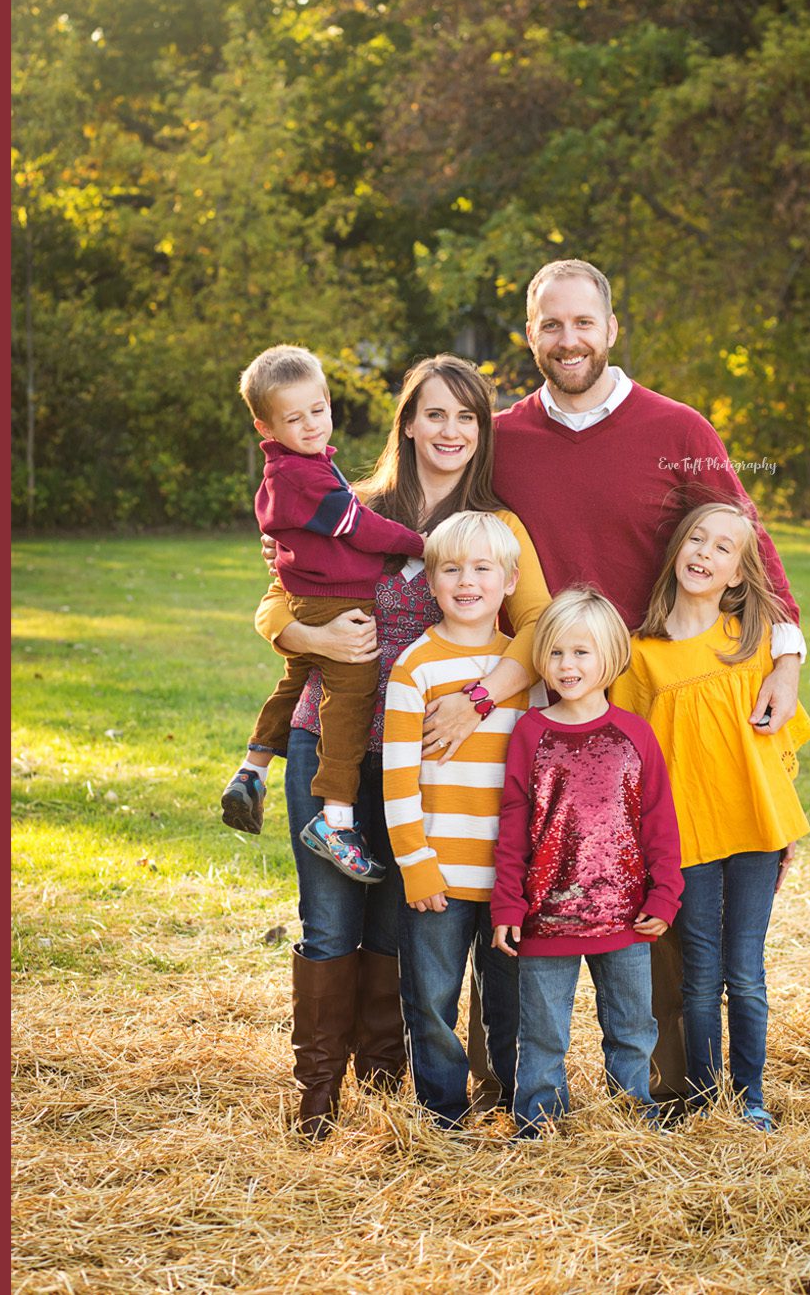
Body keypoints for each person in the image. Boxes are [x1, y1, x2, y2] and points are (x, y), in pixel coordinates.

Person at [418, 258, 810, 1111]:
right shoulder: (507, 438)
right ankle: (514, 1085)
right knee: (522, 876)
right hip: (539, 702)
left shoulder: (675, 427)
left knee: (652, 882)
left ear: (610, 328)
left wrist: (785, 654)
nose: (568, 340)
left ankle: (672, 1089)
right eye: (550, 325)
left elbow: (747, 536)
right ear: (530, 334)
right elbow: (457, 531)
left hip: (653, 700)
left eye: (582, 323)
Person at [253, 355, 550, 1140]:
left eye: (467, 416)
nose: (450, 431)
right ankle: (316, 1096)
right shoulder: (351, 503)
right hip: (337, 744)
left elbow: (540, 634)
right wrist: (306, 631)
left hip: (433, 760)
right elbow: (278, 593)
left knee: (394, 925)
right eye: (435, 414)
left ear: (482, 431)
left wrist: (477, 699)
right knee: (327, 922)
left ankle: (387, 1091)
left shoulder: (496, 528)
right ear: (408, 423)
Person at [612, 502, 810, 1131]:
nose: (705, 552)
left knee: (745, 973)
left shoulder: (752, 643)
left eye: (723, 548)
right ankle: (704, 1103)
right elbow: (631, 759)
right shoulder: (641, 655)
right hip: (688, 837)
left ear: (737, 574)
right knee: (700, 976)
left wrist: (785, 832)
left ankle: (751, 1099)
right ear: (676, 550)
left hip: (755, 829)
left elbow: (775, 750)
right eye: (696, 539)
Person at [222, 345, 426, 884]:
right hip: (334, 603)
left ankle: (253, 767)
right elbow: (357, 528)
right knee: (352, 694)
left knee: (296, 681)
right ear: (266, 425)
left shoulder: (307, 466)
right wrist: (420, 545)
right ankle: (336, 818)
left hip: (319, 595)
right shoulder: (301, 476)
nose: (311, 424)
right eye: (294, 418)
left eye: (319, 410)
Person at [491, 587, 684, 1139]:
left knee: (630, 1027)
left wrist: (663, 895)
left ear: (611, 658)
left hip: (625, 919)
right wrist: (508, 903)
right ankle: (539, 1125)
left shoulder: (635, 734)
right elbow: (513, 825)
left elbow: (659, 825)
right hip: (546, 916)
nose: (567, 666)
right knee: (544, 1031)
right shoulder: (531, 731)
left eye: (581, 653)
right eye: (555, 653)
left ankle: (631, 1119)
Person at [382, 510, 547, 1129]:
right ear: (430, 580)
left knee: (510, 1001)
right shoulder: (415, 669)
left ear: (510, 582)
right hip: (439, 877)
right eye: (452, 569)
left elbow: (535, 778)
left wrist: (533, 864)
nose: (467, 581)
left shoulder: (523, 673)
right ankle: (440, 1114)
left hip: (508, 876)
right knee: (431, 1001)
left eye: (483, 568)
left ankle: (511, 1105)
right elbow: (396, 778)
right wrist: (417, 864)